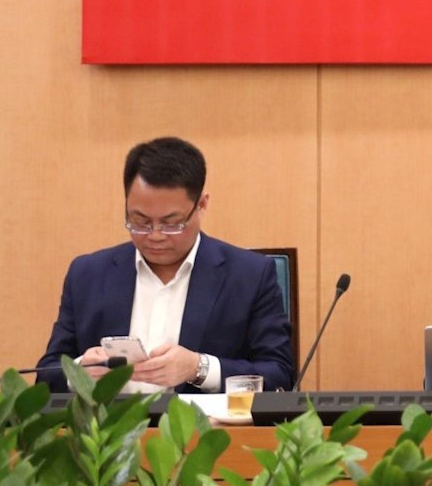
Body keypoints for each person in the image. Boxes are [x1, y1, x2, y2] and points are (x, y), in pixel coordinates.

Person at [37, 137, 295, 392]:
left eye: (171, 223)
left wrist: (198, 367)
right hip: (109, 420)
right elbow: (46, 376)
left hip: (201, 420)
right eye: (139, 221)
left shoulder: (249, 275)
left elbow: (279, 374)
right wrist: (79, 372)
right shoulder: (87, 275)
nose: (155, 235)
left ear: (201, 205)